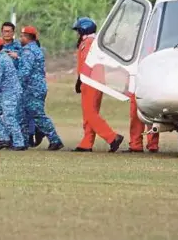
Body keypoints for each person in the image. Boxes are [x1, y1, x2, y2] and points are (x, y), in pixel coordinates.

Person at [71, 17, 124, 153]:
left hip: (90, 81)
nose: (77, 33)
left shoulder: (88, 43)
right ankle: (86, 143)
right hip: (91, 80)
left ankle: (112, 137)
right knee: (89, 113)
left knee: (90, 113)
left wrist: (81, 79)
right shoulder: (93, 42)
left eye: (78, 30)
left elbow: (86, 63)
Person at [17, 26, 64, 151]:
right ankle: (23, 141)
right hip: (35, 87)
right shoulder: (35, 49)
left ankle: (55, 140)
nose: (20, 38)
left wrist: (15, 84)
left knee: (38, 115)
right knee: (24, 114)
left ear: (27, 37)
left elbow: (25, 72)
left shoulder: (28, 51)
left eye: (21, 36)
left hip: (32, 88)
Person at [1, 21, 43, 148]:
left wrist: (17, 56)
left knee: (24, 112)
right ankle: (10, 137)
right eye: (4, 31)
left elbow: (26, 66)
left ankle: (28, 136)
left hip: (22, 84)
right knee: (8, 112)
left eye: (9, 31)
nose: (6, 34)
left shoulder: (22, 48)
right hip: (5, 83)